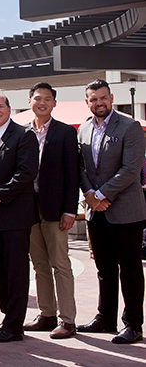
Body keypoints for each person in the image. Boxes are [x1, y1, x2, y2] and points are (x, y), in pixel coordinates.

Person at [76, 79, 146, 344]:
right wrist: (90, 196)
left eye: (103, 98)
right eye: (93, 99)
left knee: (129, 269)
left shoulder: (130, 127)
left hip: (126, 210)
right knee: (104, 269)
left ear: (111, 97)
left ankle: (133, 324)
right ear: (87, 102)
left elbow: (131, 169)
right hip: (97, 211)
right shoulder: (82, 129)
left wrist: (102, 195)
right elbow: (80, 168)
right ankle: (105, 319)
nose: (99, 103)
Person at [0, 92, 39, 343]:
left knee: (15, 272)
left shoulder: (24, 135)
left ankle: (14, 327)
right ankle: (8, 319)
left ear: (9, 109)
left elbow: (26, 173)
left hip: (13, 217)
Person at [22, 83, 79, 339]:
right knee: (40, 264)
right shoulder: (23, 133)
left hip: (56, 210)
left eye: (47, 99)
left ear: (54, 103)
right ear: (30, 101)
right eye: (37, 98)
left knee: (60, 264)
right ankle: (47, 314)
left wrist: (70, 209)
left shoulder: (65, 133)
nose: (42, 102)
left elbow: (73, 173)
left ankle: (68, 320)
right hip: (29, 209)